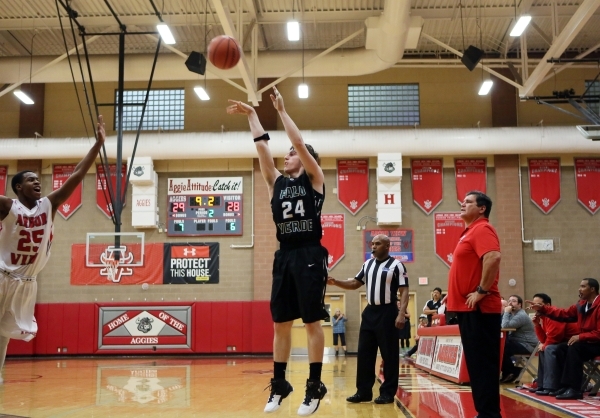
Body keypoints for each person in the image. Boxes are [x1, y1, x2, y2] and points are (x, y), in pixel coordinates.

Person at [227, 87, 328, 416]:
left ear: (305, 158)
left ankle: (314, 386)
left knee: (311, 322)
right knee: (280, 323)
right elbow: (262, 150)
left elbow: (298, 143)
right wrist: (254, 116)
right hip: (285, 255)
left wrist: (282, 111)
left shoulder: (314, 179)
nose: (286, 156)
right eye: (285, 154)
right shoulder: (276, 183)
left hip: (310, 253)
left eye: (292, 154)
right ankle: (280, 383)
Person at [0, 115, 106, 384]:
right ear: (17, 187)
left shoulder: (49, 204)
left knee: (5, 332)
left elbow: (78, 174)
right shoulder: (8, 206)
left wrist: (97, 145)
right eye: (31, 180)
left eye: (38, 179)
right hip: (3, 275)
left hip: (27, 282)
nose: (37, 182)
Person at [327, 234, 409, 405]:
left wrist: (401, 313)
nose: (373, 246)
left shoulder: (397, 266)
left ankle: (387, 392)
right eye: (372, 244)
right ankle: (363, 391)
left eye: (377, 244)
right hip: (370, 312)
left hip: (388, 312)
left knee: (389, 354)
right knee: (364, 353)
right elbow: (355, 283)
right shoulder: (368, 264)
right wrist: (336, 282)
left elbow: (404, 291)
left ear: (387, 246)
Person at [445, 191, 502, 418]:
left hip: (480, 308)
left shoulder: (483, 229)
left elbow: (493, 257)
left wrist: (481, 290)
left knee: (484, 365)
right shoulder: (468, 232)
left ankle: (489, 414)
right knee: (477, 366)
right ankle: (485, 413)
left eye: (468, 201)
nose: (462, 204)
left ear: (482, 209)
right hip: (467, 309)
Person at [527, 278, 600, 400]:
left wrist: (580, 336)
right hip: (588, 342)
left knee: (575, 347)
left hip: (596, 343)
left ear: (592, 289)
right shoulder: (581, 304)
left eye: (583, 286)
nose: (579, 289)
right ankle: (564, 385)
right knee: (561, 348)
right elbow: (564, 313)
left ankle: (575, 389)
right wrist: (543, 309)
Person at [529, 293, 578, 395]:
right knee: (544, 349)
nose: (535, 307)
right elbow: (544, 339)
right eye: (534, 304)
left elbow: (556, 336)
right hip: (563, 343)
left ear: (547, 305)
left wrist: (545, 345)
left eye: (538, 304)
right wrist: (537, 325)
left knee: (549, 348)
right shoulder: (544, 318)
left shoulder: (553, 316)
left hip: (575, 343)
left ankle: (551, 386)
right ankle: (541, 384)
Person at [500, 295, 539, 383]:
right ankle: (510, 372)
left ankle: (513, 371)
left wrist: (506, 312)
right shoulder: (511, 314)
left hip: (527, 345)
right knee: (499, 345)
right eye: (509, 301)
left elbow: (505, 326)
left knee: (501, 347)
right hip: (516, 342)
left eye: (513, 301)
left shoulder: (521, 315)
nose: (510, 303)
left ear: (520, 305)